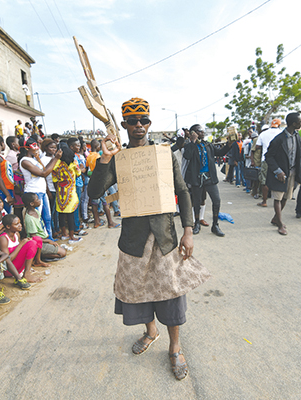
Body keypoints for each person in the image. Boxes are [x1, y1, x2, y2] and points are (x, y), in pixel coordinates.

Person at [88, 97, 210, 381]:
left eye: (144, 120)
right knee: (139, 291)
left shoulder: (165, 154)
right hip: (133, 240)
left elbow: (184, 191)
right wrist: (105, 158)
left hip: (165, 238)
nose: (139, 125)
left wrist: (189, 230)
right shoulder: (119, 157)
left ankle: (175, 348)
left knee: (171, 295)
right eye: (133, 121)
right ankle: (150, 332)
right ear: (124, 124)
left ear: (150, 123)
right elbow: (94, 193)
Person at [183, 124, 233, 236]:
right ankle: (196, 224)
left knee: (216, 200)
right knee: (196, 202)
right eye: (200, 131)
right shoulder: (189, 145)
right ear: (193, 133)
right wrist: (192, 141)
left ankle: (215, 225)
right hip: (196, 178)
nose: (203, 133)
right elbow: (187, 156)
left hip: (210, 177)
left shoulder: (208, 145)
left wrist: (229, 144)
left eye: (203, 131)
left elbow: (220, 153)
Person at [265, 112, 301, 235]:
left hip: (292, 171)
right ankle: (280, 224)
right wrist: (278, 171)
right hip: (280, 174)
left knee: (286, 197)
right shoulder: (279, 139)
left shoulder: (297, 136)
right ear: (293, 123)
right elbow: (269, 156)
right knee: (278, 198)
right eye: (299, 122)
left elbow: (300, 152)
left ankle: (276, 218)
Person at [0, 214, 49, 283]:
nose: (20, 225)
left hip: (17, 264)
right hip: (9, 270)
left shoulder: (16, 234)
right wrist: (21, 244)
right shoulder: (3, 239)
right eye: (16, 224)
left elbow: (20, 251)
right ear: (8, 226)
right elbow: (7, 260)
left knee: (37, 239)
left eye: (19, 223)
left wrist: (24, 243)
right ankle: (27, 274)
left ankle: (37, 261)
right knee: (32, 243)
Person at [51, 142, 83, 243]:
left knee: (61, 214)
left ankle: (64, 234)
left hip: (60, 193)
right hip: (71, 192)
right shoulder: (73, 164)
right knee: (71, 215)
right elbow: (78, 173)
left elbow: (55, 180)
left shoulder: (56, 165)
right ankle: (72, 236)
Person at [86, 139, 120, 229]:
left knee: (94, 203)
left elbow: (87, 169)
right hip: (100, 181)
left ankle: (96, 222)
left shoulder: (89, 156)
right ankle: (110, 222)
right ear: (97, 147)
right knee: (105, 202)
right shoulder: (98, 155)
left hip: (93, 181)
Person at [22, 192, 66, 260]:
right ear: (31, 203)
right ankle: (39, 256)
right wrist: (48, 241)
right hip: (39, 243)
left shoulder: (36, 212)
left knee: (60, 249)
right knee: (63, 253)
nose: (39, 200)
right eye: (37, 199)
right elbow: (34, 237)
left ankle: (42, 254)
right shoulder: (30, 219)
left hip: (43, 239)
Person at [255, 119, 283, 207]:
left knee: (264, 181)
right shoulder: (282, 133)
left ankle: (264, 201)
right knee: (279, 179)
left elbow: (257, 146)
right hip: (279, 161)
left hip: (266, 159)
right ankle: (278, 201)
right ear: (279, 125)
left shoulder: (263, 134)